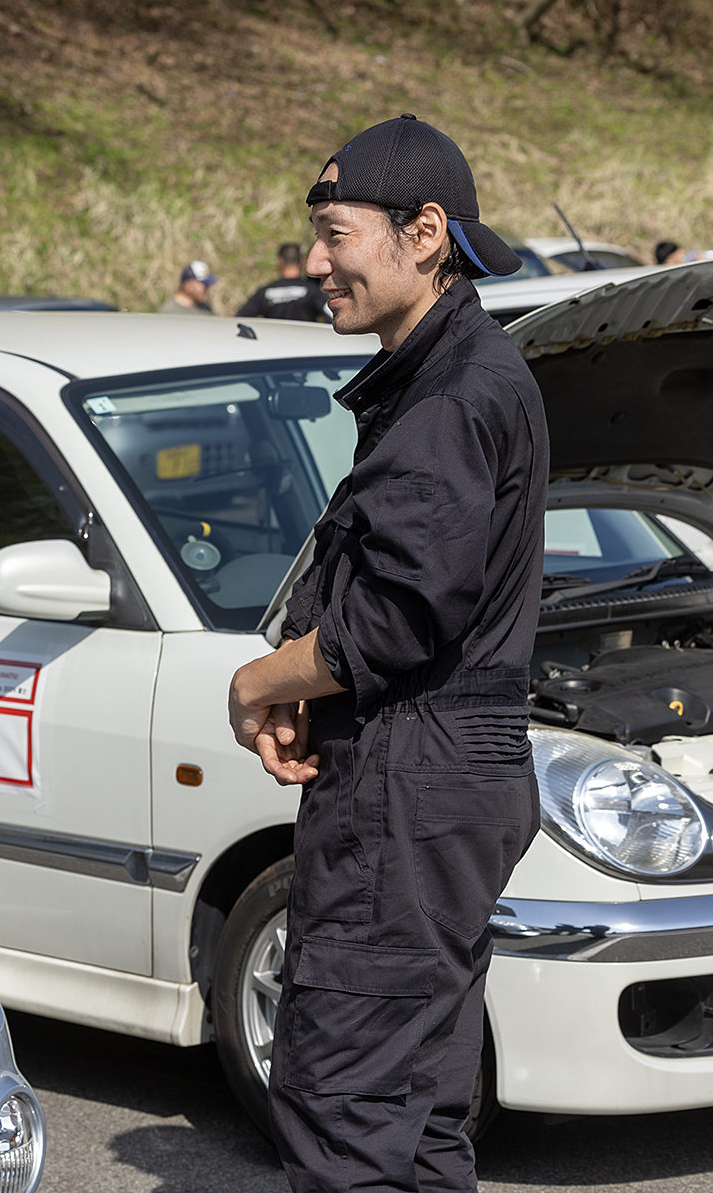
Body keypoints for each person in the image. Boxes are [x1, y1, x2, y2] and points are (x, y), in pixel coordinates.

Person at [226, 114, 548, 1193]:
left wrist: (257, 682)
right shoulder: (449, 374)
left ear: (424, 233)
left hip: (413, 779)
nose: (315, 264)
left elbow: (392, 620)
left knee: (343, 1108)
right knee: (416, 1121)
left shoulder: (455, 394)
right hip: (446, 774)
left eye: (334, 235)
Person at [236, 242, 331, 321]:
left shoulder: (264, 292)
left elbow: (240, 319)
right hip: (306, 342)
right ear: (302, 261)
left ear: (280, 261)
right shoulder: (312, 290)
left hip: (274, 343)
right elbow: (330, 316)